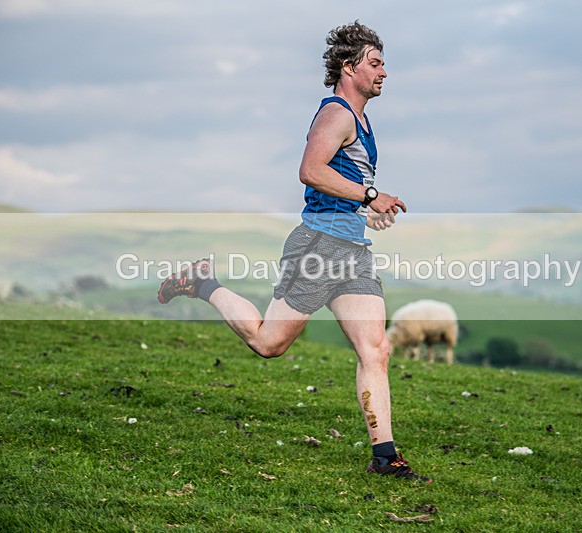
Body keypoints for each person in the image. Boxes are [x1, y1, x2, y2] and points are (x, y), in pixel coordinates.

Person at [158, 21, 430, 482]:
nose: (384, 72)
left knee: (376, 349)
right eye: (375, 63)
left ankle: (385, 457)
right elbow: (310, 171)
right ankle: (203, 282)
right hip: (319, 248)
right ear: (349, 67)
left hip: (351, 249)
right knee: (269, 344)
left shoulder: (363, 121)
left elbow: (334, 188)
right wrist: (369, 196)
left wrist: (365, 213)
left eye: (384, 63)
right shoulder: (337, 114)